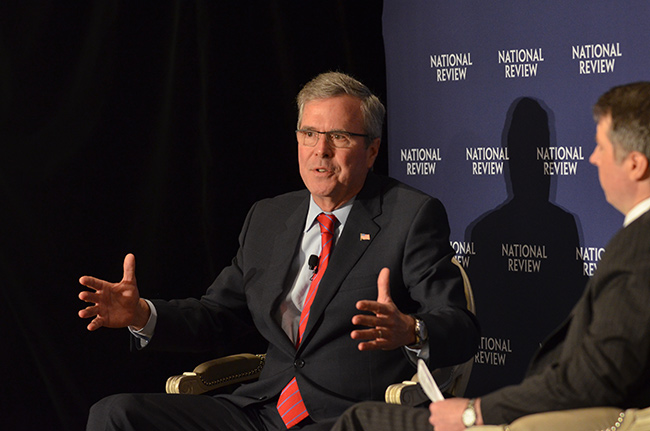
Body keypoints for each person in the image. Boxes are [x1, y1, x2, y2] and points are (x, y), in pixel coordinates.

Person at [78, 71, 480, 431]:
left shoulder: (409, 216)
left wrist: (410, 329)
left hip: (346, 416)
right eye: (309, 134)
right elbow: (219, 316)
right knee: (116, 414)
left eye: (339, 137)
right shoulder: (269, 217)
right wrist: (142, 314)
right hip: (260, 410)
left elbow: (459, 327)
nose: (320, 150)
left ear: (371, 150)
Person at [331, 81, 650, 431]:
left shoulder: (638, 245)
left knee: (361, 421)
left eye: (601, 147)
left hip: (554, 420)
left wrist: (474, 413)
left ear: (635, 165)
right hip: (545, 411)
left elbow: (594, 379)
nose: (592, 158)